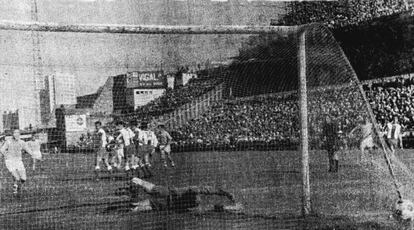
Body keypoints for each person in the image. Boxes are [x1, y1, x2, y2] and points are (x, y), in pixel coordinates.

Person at [122, 177, 242, 213]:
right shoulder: (197, 202)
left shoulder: (195, 194)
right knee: (149, 203)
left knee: (151, 190)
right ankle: (134, 206)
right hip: (171, 200)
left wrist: (227, 194)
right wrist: (231, 203)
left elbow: (213, 191)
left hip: (170, 194)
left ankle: (135, 182)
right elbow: (216, 205)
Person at [0, 129, 34, 195]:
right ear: (12, 134)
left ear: (19, 134)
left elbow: (28, 150)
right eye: (14, 133)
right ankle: (16, 191)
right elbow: (2, 150)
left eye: (17, 133)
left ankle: (16, 186)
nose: (16, 134)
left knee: (23, 178)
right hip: (10, 161)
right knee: (17, 177)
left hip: (19, 161)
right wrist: (5, 155)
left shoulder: (22, 142)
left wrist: (33, 154)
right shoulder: (8, 142)